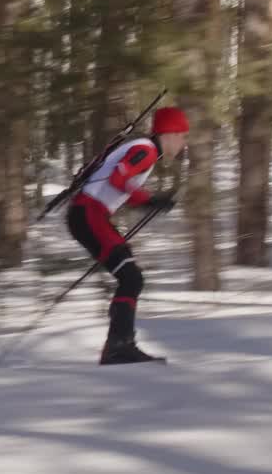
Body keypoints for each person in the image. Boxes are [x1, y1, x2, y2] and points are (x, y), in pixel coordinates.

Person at [67, 106, 188, 365]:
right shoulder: (145, 149)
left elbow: (119, 181)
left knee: (130, 276)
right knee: (131, 278)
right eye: (182, 135)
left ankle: (120, 345)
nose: (183, 142)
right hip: (88, 214)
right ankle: (119, 347)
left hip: (90, 214)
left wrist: (151, 201)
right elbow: (118, 179)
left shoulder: (145, 150)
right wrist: (150, 200)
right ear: (169, 133)